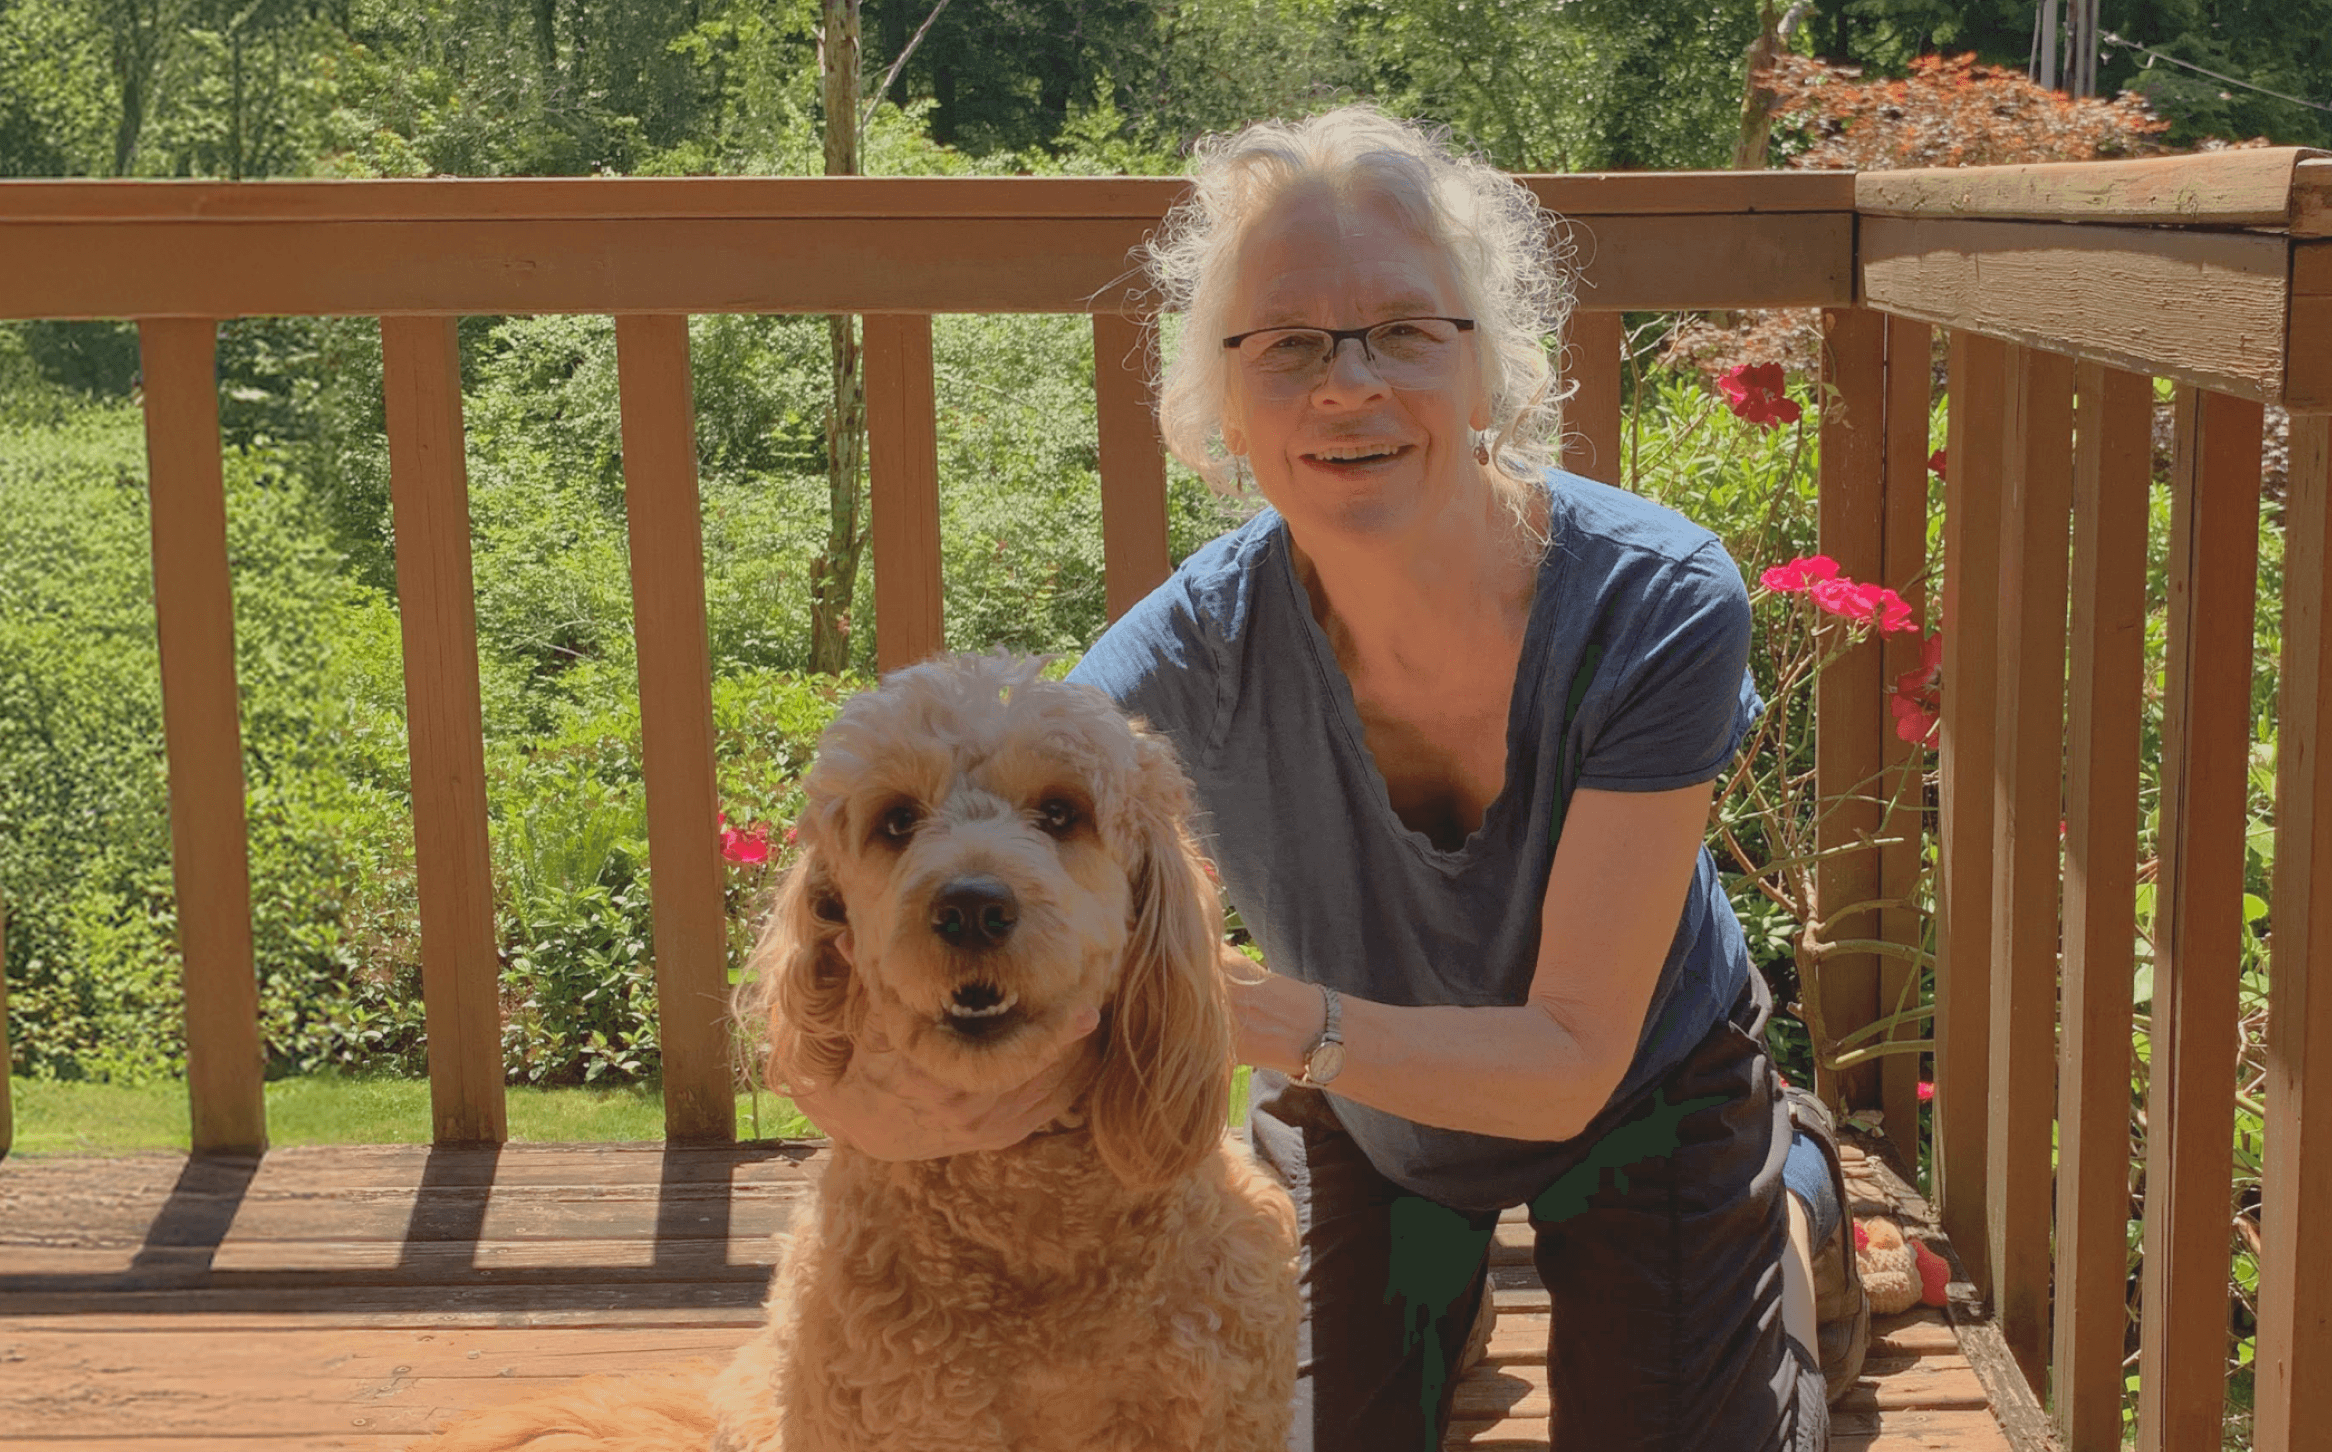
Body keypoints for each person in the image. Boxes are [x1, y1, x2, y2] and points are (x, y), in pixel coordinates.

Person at [787, 106, 1860, 1452]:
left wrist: (1228, 1012)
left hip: (1641, 1091)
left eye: (1406, 331)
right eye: (1287, 345)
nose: (1347, 384)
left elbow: (1573, 1059)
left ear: (1488, 372)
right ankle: (1432, 1298)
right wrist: (880, 1077)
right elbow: (999, 877)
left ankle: (1794, 1200)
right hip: (1368, 1124)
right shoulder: (1159, 674)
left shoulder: (1654, 598)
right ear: (1226, 404)